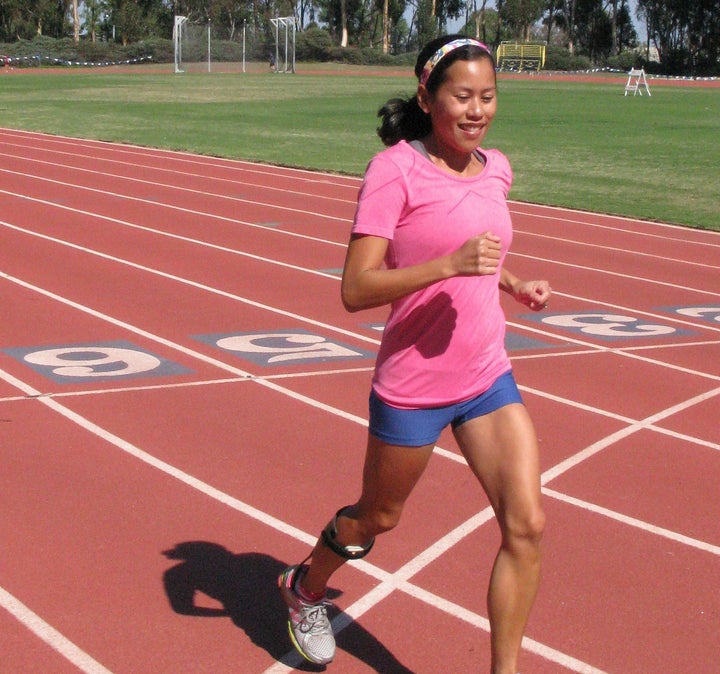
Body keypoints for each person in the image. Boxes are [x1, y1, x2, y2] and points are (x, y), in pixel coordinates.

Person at [279, 34, 551, 674]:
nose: (477, 109)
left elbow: (483, 253)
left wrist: (513, 282)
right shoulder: (393, 170)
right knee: (378, 517)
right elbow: (355, 289)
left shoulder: (497, 167)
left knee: (528, 525)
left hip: (487, 375)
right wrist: (447, 266)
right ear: (428, 95)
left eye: (488, 96)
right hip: (415, 386)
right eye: (463, 96)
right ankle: (305, 586)